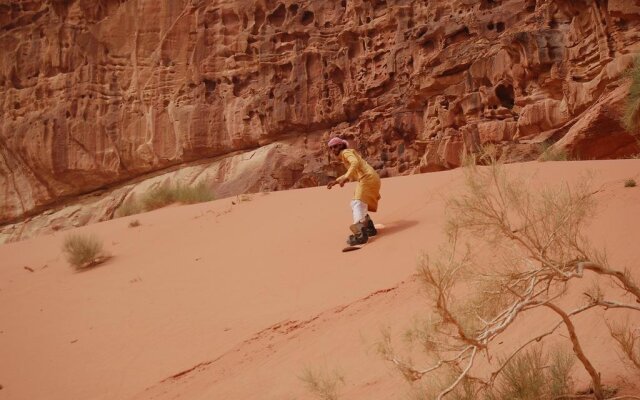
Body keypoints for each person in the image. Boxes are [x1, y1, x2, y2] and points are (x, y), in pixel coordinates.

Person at [326, 137, 381, 245]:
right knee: (358, 203)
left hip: (367, 178)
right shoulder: (346, 155)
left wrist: (346, 177)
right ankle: (369, 228)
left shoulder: (345, 152)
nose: (333, 149)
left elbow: (354, 163)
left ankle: (360, 234)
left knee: (357, 203)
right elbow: (354, 170)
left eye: (335, 146)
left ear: (341, 145)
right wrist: (337, 181)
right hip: (370, 178)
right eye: (331, 148)